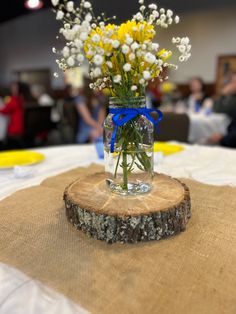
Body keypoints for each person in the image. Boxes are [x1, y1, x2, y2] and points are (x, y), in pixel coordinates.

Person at [208, 73, 236, 148]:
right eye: (232, 82)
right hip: (228, 132)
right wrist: (223, 95)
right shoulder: (231, 96)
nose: (232, 84)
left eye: (235, 82)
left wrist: (222, 138)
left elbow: (220, 109)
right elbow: (215, 108)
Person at [0, 82, 30, 149]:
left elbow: (4, 111)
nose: (12, 89)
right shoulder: (20, 98)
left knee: (13, 144)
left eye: (15, 88)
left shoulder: (13, 99)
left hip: (15, 126)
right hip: (20, 125)